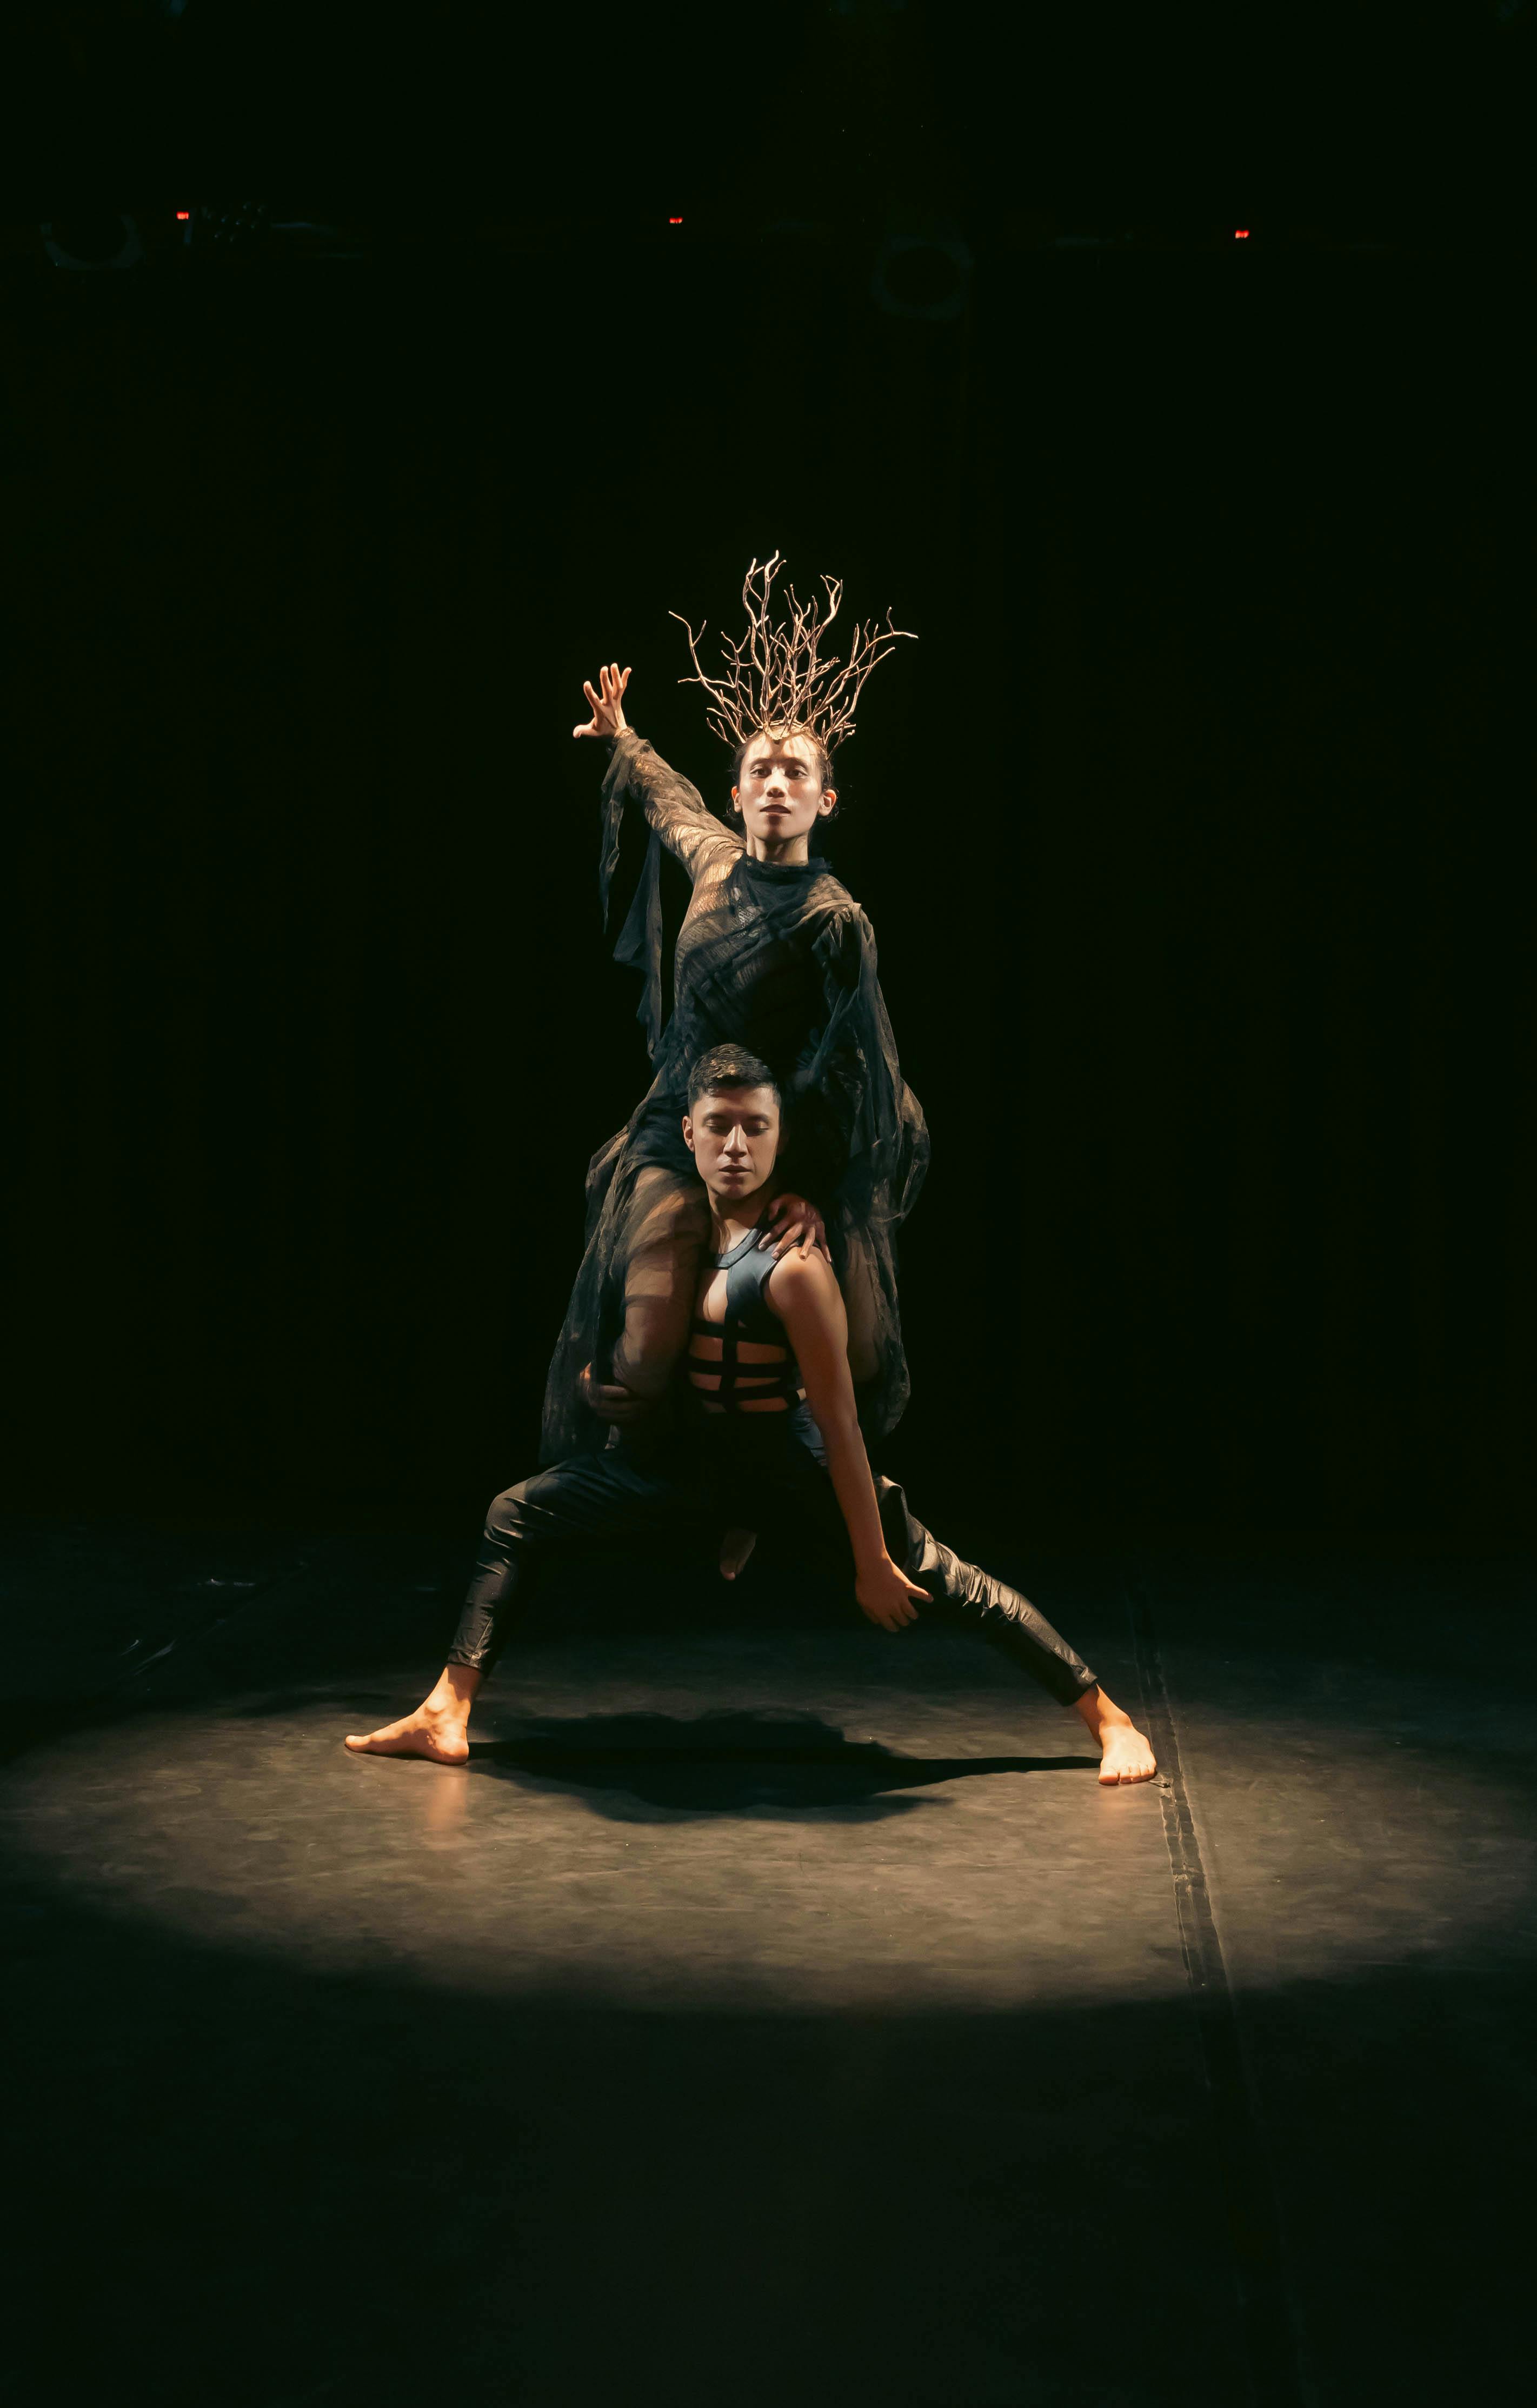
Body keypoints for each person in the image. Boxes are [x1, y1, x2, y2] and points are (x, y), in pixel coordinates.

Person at [347, 1046, 1156, 1787]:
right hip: (694, 1466)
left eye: (756, 1129)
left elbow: (840, 1424)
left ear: (779, 1140)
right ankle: (447, 1712)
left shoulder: (794, 1265)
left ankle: (1110, 1720)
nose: (737, 1146)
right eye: (720, 1128)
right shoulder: (681, 1231)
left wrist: (870, 1559)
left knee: (950, 1583)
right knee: (515, 1512)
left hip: (789, 1467)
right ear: (691, 1137)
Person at [543, 555, 927, 1466]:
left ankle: (784, 1484)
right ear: (740, 794)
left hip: (796, 1139)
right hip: (688, 1127)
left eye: (797, 771)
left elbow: (853, 1068)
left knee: (863, 1351)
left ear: (824, 801)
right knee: (643, 1345)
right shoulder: (715, 862)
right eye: (761, 769)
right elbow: (666, 798)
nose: (777, 782)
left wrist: (805, 1184)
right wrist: (624, 740)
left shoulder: (838, 925)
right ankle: (644, 1486)